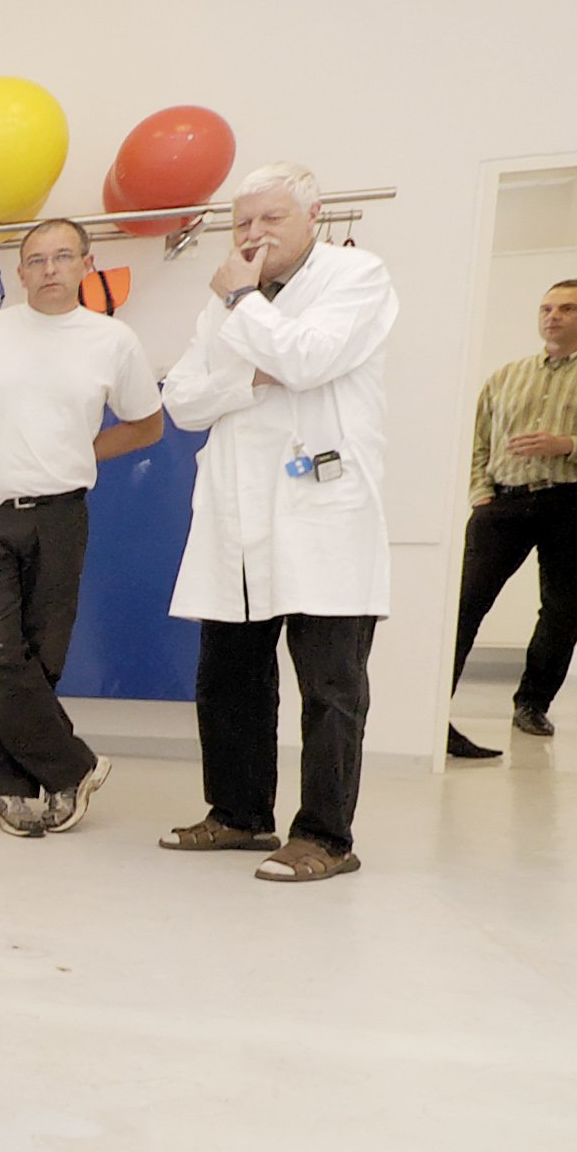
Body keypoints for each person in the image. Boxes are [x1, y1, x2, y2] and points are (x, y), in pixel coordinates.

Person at [155, 163, 396, 884]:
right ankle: (237, 814)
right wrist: (246, 374)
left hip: (324, 512)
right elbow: (185, 401)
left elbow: (309, 358)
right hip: (237, 511)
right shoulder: (218, 309)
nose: (254, 235)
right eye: (242, 224)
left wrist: (241, 301)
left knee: (330, 685)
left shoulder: (357, 279)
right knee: (227, 676)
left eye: (271, 220)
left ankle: (326, 835)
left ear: (313, 215)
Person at [0, 217, 165, 836]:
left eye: (62, 257)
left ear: (86, 264)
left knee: (41, 657)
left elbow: (146, 425)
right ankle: (73, 767)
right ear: (19, 273)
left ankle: (7, 790)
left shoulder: (113, 340)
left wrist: (80, 452)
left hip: (61, 515)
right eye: (36, 260)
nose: (49, 269)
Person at [443, 279, 577, 759]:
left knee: (561, 607)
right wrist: (480, 494)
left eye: (569, 308)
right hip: (503, 504)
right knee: (465, 603)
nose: (554, 317)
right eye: (547, 308)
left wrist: (571, 446)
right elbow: (478, 441)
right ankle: (435, 706)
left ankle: (533, 703)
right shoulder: (506, 376)